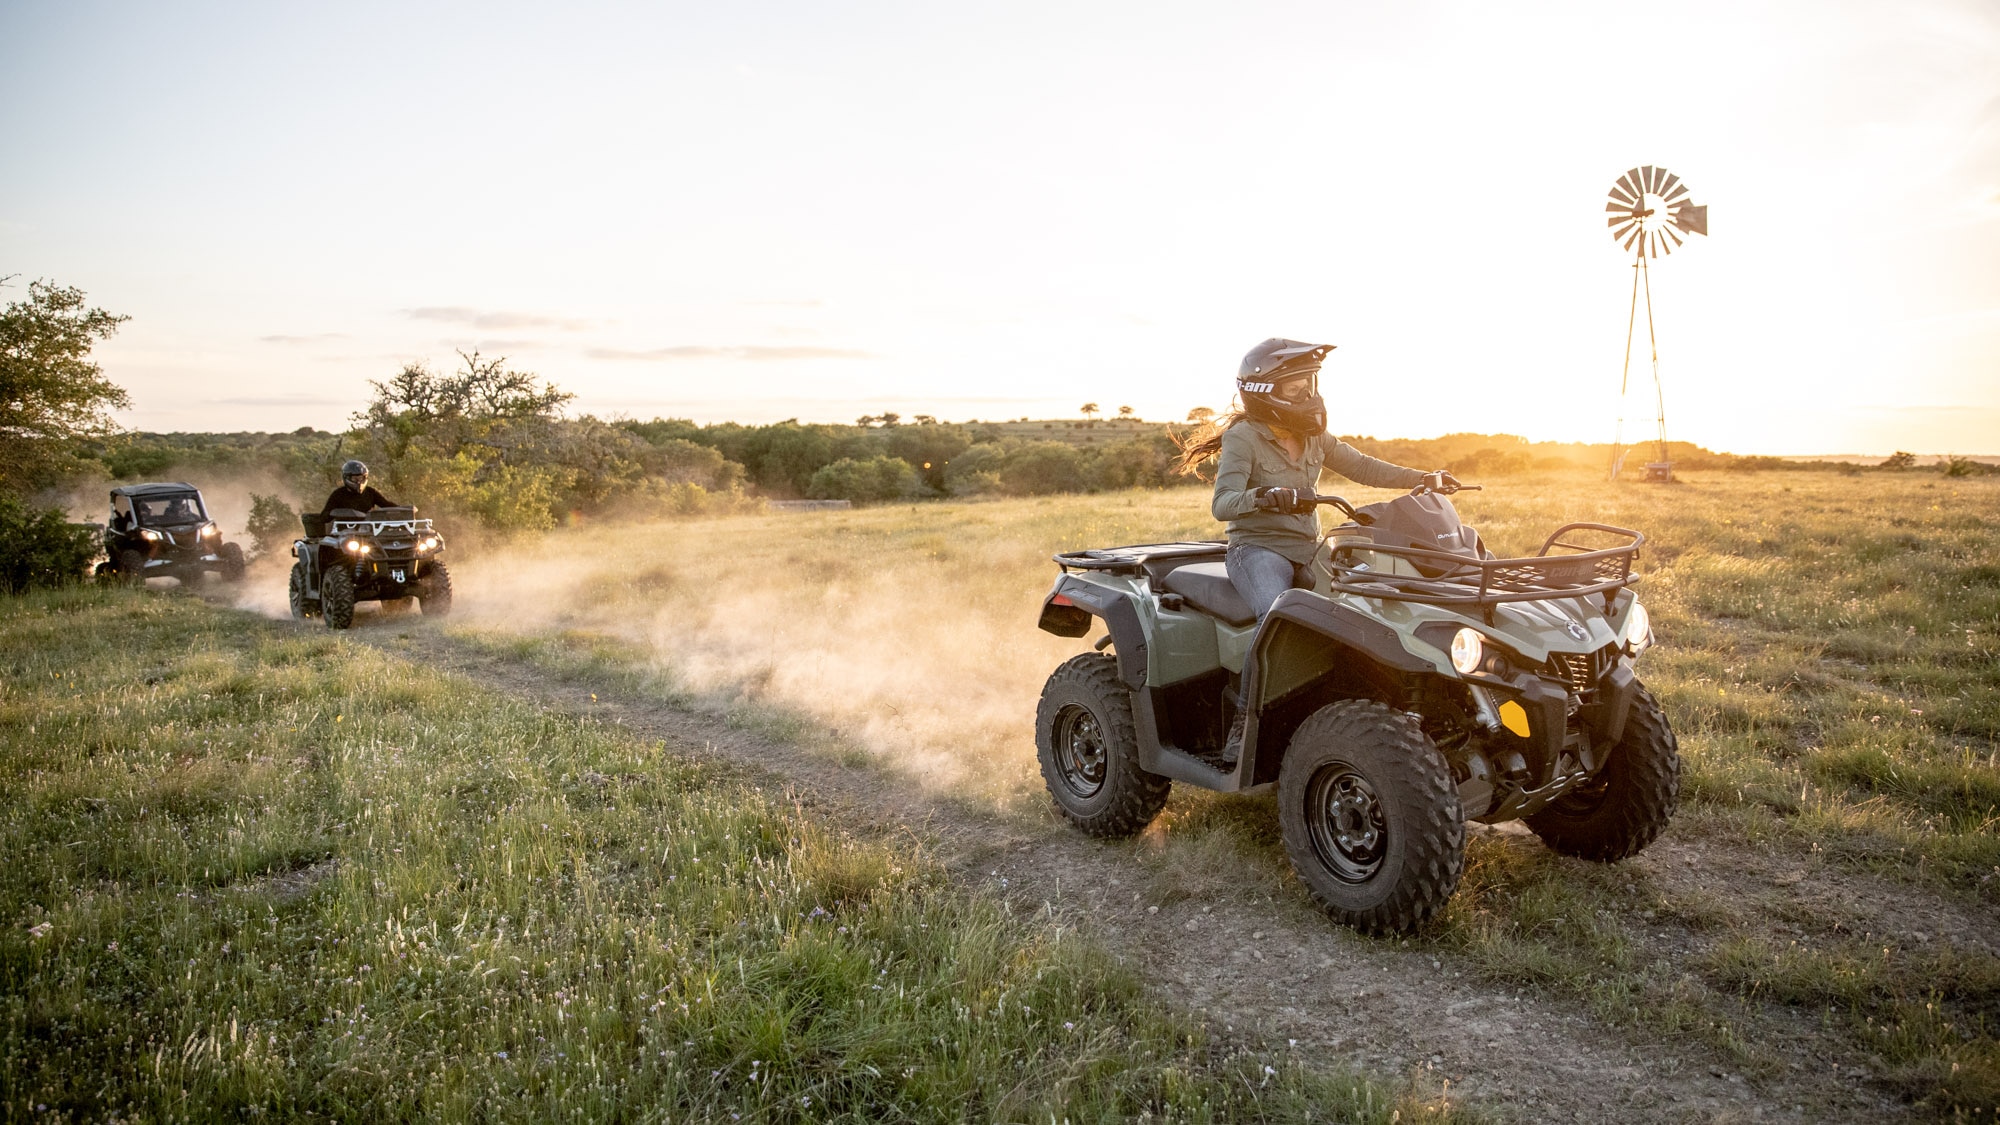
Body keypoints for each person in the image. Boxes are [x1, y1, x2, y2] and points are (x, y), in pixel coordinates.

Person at [1174, 337, 1458, 758]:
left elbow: (1363, 466)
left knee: (1365, 607)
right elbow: (1222, 504)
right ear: (1264, 392)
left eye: (1310, 383)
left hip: (1311, 548)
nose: (1308, 394)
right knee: (1279, 620)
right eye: (1295, 387)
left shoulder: (1314, 436)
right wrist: (1264, 496)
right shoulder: (1244, 438)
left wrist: (1424, 477)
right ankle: (1243, 726)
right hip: (1257, 550)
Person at [321, 460, 398, 515]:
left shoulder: (371, 492)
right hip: (345, 531)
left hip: (368, 531)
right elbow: (325, 515)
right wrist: (339, 513)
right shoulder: (338, 494)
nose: (359, 481)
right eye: (355, 478)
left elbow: (386, 505)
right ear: (346, 478)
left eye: (361, 478)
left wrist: (403, 511)